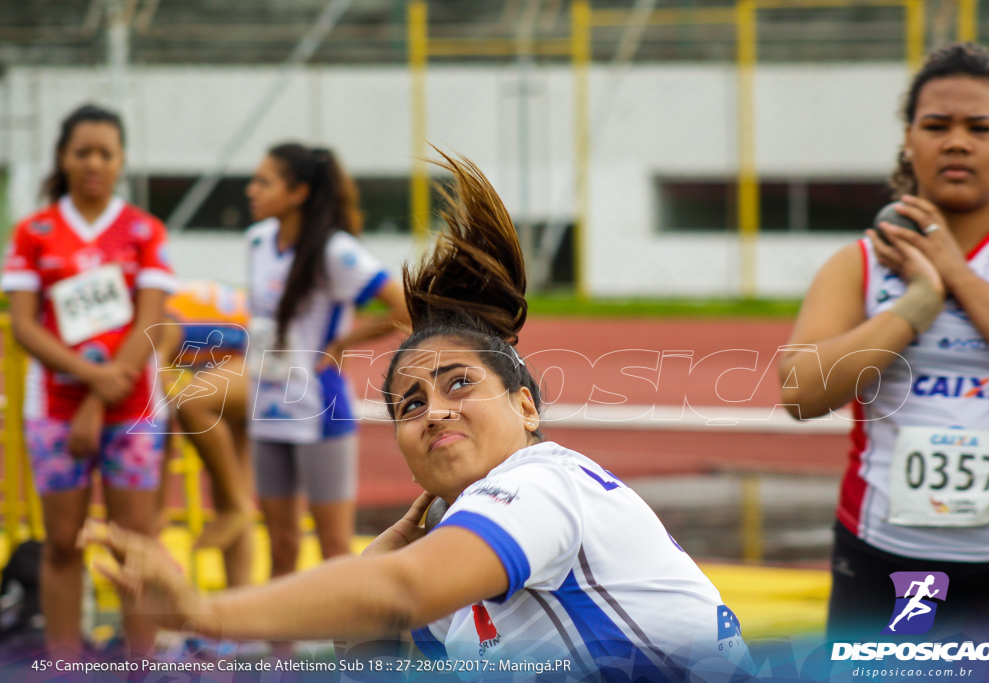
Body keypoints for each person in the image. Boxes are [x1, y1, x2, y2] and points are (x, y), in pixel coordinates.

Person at [82, 152, 751, 681]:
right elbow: (385, 621)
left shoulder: (546, 480)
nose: (434, 410)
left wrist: (204, 612)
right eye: (408, 403)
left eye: (459, 382)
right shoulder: (451, 591)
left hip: (305, 399)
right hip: (281, 391)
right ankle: (236, 505)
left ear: (526, 405)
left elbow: (398, 590)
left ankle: (231, 509)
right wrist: (375, 587)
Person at [777, 43, 989, 640]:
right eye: (937, 125)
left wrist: (956, 276)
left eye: (979, 126)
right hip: (886, 555)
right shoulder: (859, 264)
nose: (957, 141)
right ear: (909, 140)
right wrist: (915, 305)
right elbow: (801, 392)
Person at [1, 104, 176, 655]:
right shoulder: (33, 233)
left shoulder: (145, 231)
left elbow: (151, 321)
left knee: (135, 544)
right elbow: (25, 326)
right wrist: (87, 379)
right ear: (63, 157)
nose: (94, 163)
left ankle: (143, 663)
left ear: (121, 160)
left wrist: (97, 398)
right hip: (52, 410)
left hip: (131, 412)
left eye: (106, 152)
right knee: (60, 544)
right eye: (83, 152)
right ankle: (64, 664)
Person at [244, 143, 409, 579]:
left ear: (298, 192)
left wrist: (340, 344)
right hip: (265, 402)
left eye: (264, 181)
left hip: (320, 406)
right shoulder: (257, 241)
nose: (251, 190)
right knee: (279, 545)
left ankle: (348, 649)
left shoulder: (336, 251)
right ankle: (281, 649)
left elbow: (402, 308)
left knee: (335, 550)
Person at [154, 280, 253, 587]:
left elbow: (155, 382)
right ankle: (241, 611)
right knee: (230, 485)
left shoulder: (162, 325)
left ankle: (237, 507)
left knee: (190, 405)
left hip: (257, 356)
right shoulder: (166, 318)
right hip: (236, 356)